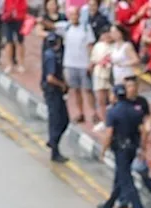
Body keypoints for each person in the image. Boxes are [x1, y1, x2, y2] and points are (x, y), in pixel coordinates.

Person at [97, 81, 148, 208]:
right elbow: (143, 131)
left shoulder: (112, 112)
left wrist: (103, 150)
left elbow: (109, 133)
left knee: (126, 181)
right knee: (121, 177)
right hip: (132, 147)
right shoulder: (135, 110)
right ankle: (108, 205)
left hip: (120, 149)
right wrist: (142, 149)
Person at [40, 21, 70, 163]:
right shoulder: (52, 56)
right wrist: (62, 85)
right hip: (53, 90)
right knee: (58, 119)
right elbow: (50, 78)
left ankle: (53, 141)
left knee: (61, 119)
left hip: (53, 90)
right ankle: (54, 145)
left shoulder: (48, 53)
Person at [61, 6, 96, 124]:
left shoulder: (86, 28)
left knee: (88, 89)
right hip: (71, 63)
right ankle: (80, 112)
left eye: (76, 15)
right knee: (75, 90)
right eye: (71, 15)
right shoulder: (66, 28)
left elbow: (90, 46)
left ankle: (93, 113)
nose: (74, 17)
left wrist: (91, 62)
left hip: (83, 64)